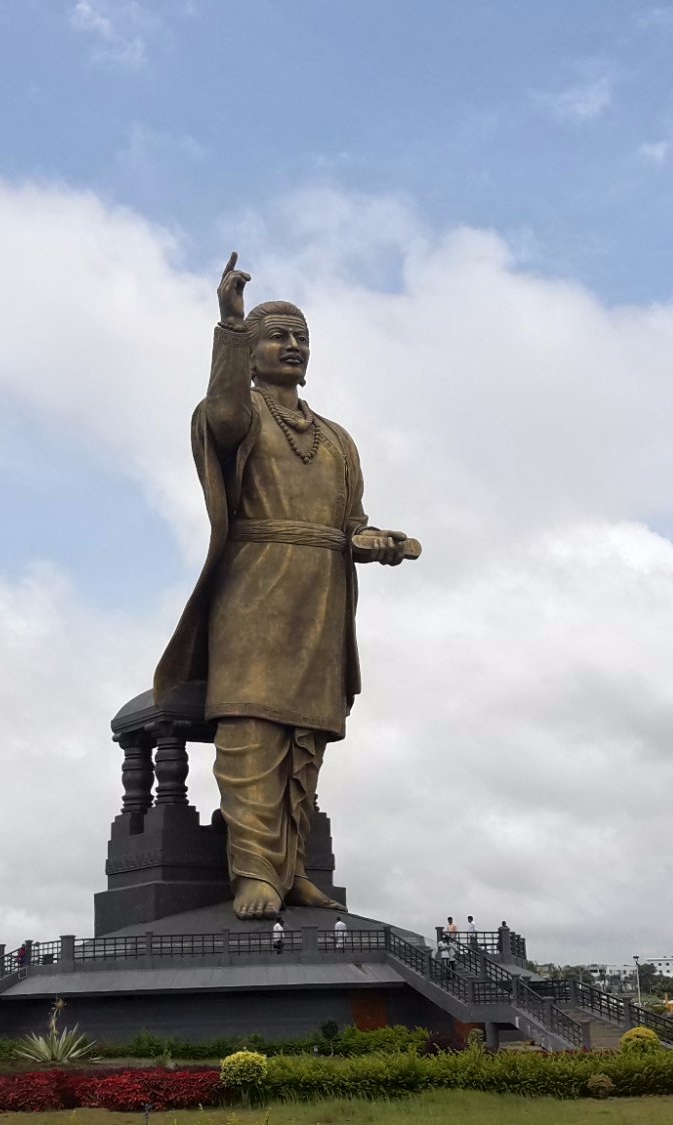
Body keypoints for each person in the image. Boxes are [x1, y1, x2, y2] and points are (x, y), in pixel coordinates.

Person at [154, 253, 415, 921]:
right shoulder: (242, 418)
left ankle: (293, 868)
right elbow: (219, 416)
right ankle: (253, 872)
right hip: (253, 587)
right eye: (280, 335)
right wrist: (231, 327)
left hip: (321, 597)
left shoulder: (337, 440)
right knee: (250, 733)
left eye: (301, 337)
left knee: (303, 742)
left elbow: (350, 524)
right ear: (253, 353)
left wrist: (377, 543)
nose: (293, 346)